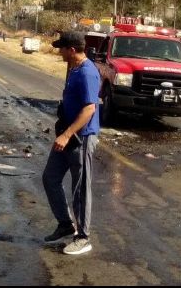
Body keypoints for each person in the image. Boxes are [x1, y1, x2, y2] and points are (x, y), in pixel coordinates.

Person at [42, 31, 100, 255]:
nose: (59, 52)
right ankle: (65, 224)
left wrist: (67, 135)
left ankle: (83, 237)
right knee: (50, 178)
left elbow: (89, 109)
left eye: (62, 48)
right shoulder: (74, 69)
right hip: (67, 134)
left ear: (72, 50)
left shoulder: (87, 73)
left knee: (80, 189)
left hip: (81, 138)